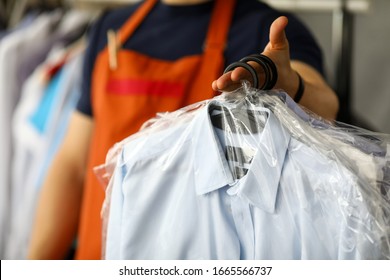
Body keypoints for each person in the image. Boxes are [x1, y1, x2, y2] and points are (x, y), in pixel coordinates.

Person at [27, 0, 339, 260]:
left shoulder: (264, 27)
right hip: (102, 254)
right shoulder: (112, 28)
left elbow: (325, 107)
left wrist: (287, 84)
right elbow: (73, 165)